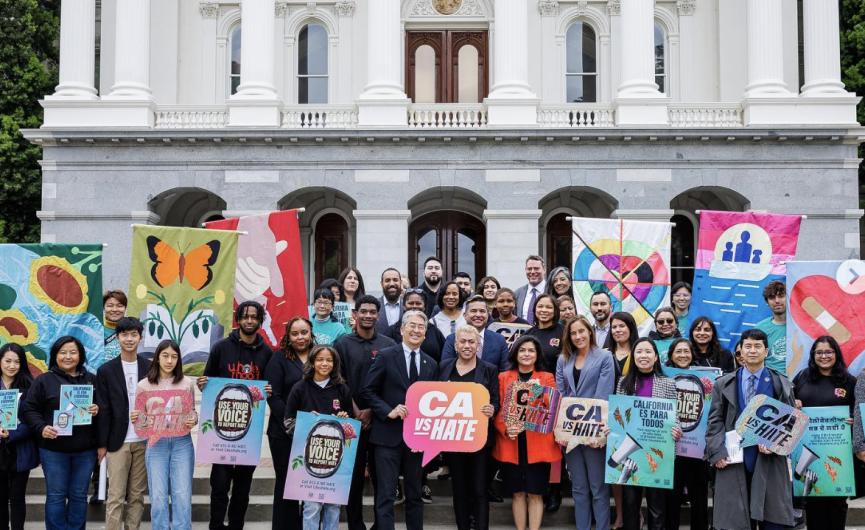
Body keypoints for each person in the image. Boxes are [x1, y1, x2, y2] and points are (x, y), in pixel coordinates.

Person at [705, 328, 796, 530]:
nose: (752, 350)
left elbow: (791, 423)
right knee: (734, 521)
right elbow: (715, 421)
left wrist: (775, 444)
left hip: (768, 460)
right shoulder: (723, 383)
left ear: (766, 351)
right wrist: (717, 451)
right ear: (740, 352)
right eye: (748, 346)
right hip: (733, 459)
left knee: (771, 520)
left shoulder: (780, 383)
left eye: (757, 346)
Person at [197, 301, 273, 530]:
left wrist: (269, 390)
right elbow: (207, 379)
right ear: (238, 319)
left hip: (248, 430)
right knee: (219, 485)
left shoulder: (267, 352)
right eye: (245, 316)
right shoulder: (221, 348)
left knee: (242, 487)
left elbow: (269, 386)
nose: (249, 320)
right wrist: (203, 384)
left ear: (260, 321)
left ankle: (236, 526)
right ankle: (216, 525)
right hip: (222, 428)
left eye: (254, 317)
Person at [362, 311, 439, 530]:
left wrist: (426, 440)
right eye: (412, 325)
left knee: (415, 495)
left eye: (421, 327)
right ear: (402, 329)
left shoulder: (431, 363)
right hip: (387, 437)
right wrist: (388, 411)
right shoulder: (385, 356)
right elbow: (368, 392)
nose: (416, 330)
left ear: (425, 333)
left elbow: (434, 404)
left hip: (416, 442)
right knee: (386, 496)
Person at [22, 336, 100, 530]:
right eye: (63, 352)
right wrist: (41, 428)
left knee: (79, 495)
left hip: (85, 450)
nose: (68, 356)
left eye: (73, 352)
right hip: (53, 450)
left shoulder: (92, 379)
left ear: (80, 355)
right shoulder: (43, 380)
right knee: (56, 496)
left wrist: (97, 409)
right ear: (55, 355)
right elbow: (29, 409)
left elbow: (105, 410)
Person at [335, 296, 396, 530]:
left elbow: (392, 382)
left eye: (372, 311)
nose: (368, 315)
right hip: (352, 420)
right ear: (355, 314)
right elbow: (339, 380)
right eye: (364, 311)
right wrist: (357, 410)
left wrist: (373, 410)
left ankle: (381, 525)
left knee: (383, 478)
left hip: (381, 420)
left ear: (378, 315)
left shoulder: (388, 344)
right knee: (354, 476)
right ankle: (356, 525)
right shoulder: (342, 344)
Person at [613, 338, 681, 530]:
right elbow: (618, 416)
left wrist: (678, 431)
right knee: (630, 505)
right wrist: (612, 429)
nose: (643, 356)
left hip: (658, 452)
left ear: (656, 356)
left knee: (657, 507)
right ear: (633, 357)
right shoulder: (623, 383)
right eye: (639, 352)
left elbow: (675, 418)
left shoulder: (668, 383)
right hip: (630, 454)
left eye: (648, 352)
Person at [493, 335, 558, 530]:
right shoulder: (504, 377)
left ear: (537, 354)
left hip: (538, 444)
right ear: (515, 353)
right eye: (522, 350)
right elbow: (498, 408)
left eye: (531, 350)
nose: (526, 354)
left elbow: (552, 409)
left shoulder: (547, 377)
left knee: (536, 494)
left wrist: (537, 390)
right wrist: (505, 428)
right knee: (517, 493)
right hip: (511, 442)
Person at [284, 345, 353, 530]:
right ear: (312, 362)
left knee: (333, 507)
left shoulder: (342, 389)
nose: (325, 363)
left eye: (329, 360)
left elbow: (351, 429)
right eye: (320, 359)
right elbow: (288, 423)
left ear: (335, 363)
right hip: (310, 458)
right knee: (311, 507)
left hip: (335, 458)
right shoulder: (299, 388)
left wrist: (344, 421)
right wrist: (306, 422)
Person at [131, 340, 198, 530]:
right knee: (158, 497)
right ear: (157, 358)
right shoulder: (144, 385)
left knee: (182, 495)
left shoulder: (186, 383)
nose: (170, 360)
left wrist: (193, 418)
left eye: (174, 356)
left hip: (182, 443)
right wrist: (136, 417)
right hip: (156, 443)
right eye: (165, 356)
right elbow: (141, 420)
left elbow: (191, 411)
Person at [556, 316, 615, 530]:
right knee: (579, 488)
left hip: (594, 431)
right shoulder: (563, 359)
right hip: (569, 432)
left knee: (598, 488)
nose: (578, 336)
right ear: (568, 336)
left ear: (590, 332)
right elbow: (561, 395)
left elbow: (603, 395)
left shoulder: (604, 356)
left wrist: (596, 434)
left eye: (582, 331)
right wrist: (562, 430)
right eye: (573, 333)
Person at [438, 326, 499, 530]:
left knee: (480, 490)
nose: (466, 346)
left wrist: (492, 409)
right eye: (462, 342)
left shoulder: (489, 369)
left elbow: (496, 401)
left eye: (471, 342)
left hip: (480, 441)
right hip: (453, 440)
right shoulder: (444, 367)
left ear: (478, 345)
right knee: (459, 489)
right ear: (455, 345)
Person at [95, 317, 151, 530]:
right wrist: (102, 444)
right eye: (124, 335)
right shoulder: (106, 370)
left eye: (134, 334)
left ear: (140, 337)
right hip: (118, 441)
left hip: (144, 440)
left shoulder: (150, 367)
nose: (129, 339)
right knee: (116, 495)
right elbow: (103, 410)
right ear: (117, 338)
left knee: (137, 496)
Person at [795, 336, 855, 530]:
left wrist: (854, 419)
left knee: (838, 504)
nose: (824, 356)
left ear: (836, 354)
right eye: (819, 352)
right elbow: (788, 405)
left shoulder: (848, 380)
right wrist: (793, 404)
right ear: (813, 355)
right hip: (808, 451)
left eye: (829, 351)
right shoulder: (802, 377)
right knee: (813, 502)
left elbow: (859, 412)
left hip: (839, 455)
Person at [264, 316, 313, 530]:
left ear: (311, 333)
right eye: (295, 333)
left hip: (316, 432)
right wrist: (296, 423)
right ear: (288, 336)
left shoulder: (321, 356)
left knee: (311, 483)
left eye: (304, 332)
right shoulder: (279, 358)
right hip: (283, 433)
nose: (300, 337)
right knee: (287, 483)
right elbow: (273, 396)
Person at [663, 338, 710, 530]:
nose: (682, 355)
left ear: (692, 355)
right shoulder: (663, 378)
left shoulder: (706, 380)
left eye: (686, 351)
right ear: (671, 355)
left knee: (699, 500)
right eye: (678, 351)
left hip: (697, 448)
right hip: (670, 449)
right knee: (671, 500)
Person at [602, 311, 639, 530]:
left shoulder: (639, 351)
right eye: (614, 327)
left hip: (633, 415)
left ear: (631, 328)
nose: (618, 330)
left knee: (633, 464)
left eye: (622, 326)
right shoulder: (604, 353)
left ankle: (635, 513)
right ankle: (620, 514)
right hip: (609, 415)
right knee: (614, 466)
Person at [0, 344, 36, 530]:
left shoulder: (30, 387)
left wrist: (11, 434)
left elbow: (33, 421)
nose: (12, 366)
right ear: (0, 361)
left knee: (17, 497)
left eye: (17, 362)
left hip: (20, 450)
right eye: (8, 361)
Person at [441, 296, 510, 372]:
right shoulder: (452, 338)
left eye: (482, 311)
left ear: (487, 315)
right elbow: (446, 368)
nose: (478, 315)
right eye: (473, 311)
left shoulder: (499, 340)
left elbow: (505, 371)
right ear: (465, 316)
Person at [384, 290, 447, 363]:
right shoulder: (391, 331)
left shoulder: (434, 331)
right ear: (404, 306)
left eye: (418, 303)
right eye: (410, 303)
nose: (414, 306)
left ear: (424, 307)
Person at [755, 280, 788, 375]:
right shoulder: (760, 327)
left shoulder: (799, 324)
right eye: (772, 297)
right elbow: (756, 357)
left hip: (798, 378)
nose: (777, 301)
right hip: (771, 379)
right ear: (767, 302)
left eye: (781, 296)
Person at [525, 294, 564, 371]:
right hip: (532, 381)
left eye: (549, 307)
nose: (544, 310)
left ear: (555, 310)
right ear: (535, 309)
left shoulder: (564, 332)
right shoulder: (527, 335)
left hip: (557, 380)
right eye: (540, 306)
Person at [514, 255, 547, 324]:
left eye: (536, 268)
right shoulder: (517, 294)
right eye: (529, 269)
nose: (532, 272)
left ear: (544, 269)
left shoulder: (551, 291)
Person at [102, 290, 127, 366]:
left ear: (125, 308)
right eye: (110, 305)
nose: (115, 309)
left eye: (119, 306)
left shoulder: (131, 330)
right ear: (103, 308)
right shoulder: (97, 329)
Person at [376, 268, 404, 336]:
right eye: (387, 280)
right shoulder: (374, 306)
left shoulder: (408, 307)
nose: (391, 284)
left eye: (395, 280)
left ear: (401, 283)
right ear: (382, 284)